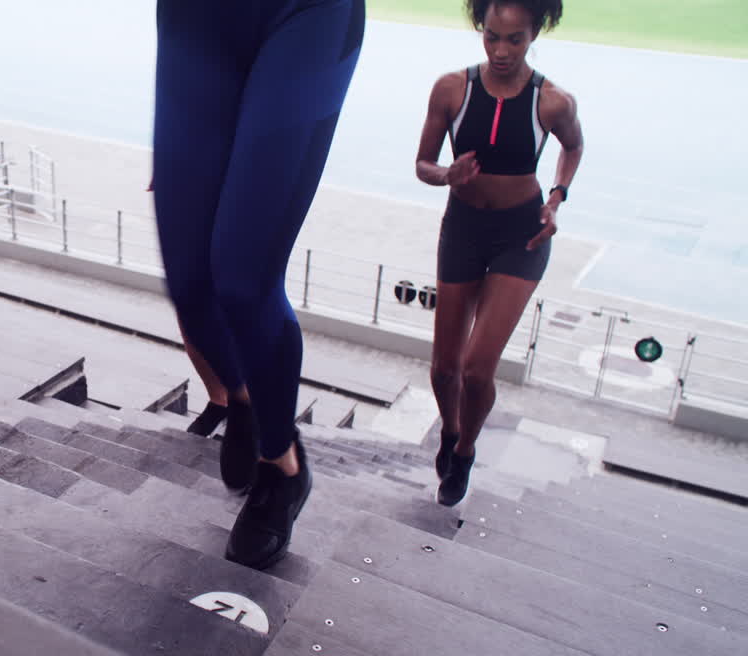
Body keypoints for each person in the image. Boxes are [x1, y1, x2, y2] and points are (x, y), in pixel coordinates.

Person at [153, 0, 365, 569]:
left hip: (306, 15)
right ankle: (245, 397)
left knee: (244, 279)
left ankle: (282, 465)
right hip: (196, 19)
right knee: (190, 283)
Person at [415, 0, 583, 506]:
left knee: (476, 369)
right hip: (463, 229)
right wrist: (447, 175)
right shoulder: (451, 89)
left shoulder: (552, 102)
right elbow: (423, 163)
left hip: (521, 236)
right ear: (480, 29)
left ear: (535, 34)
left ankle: (465, 449)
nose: (502, 50)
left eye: (515, 39)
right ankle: (449, 429)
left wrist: (556, 198)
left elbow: (572, 147)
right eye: (492, 36)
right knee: (444, 369)